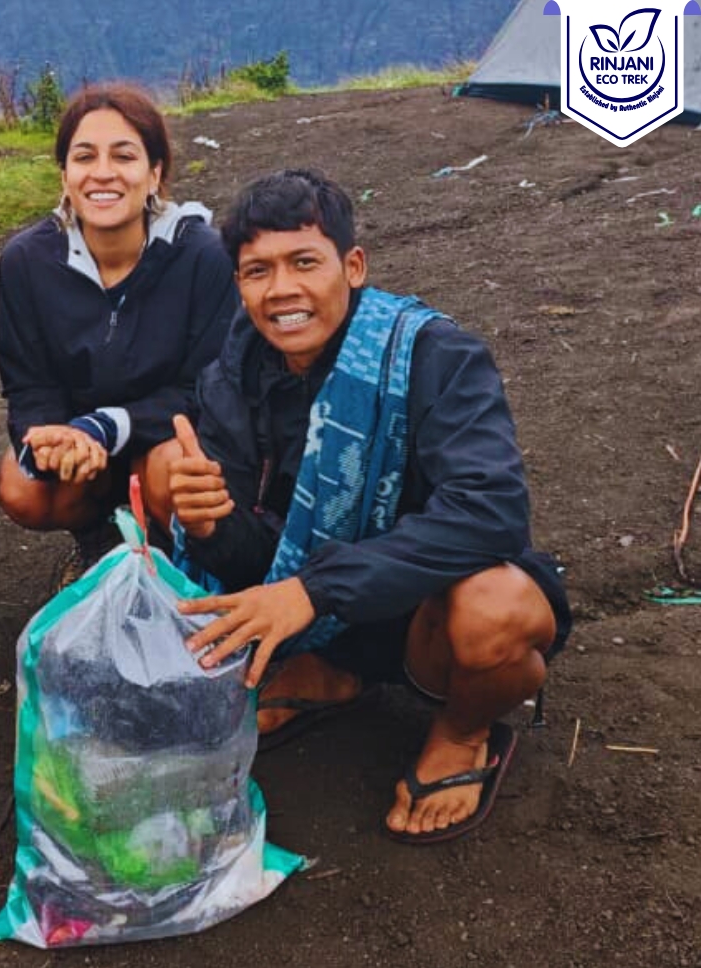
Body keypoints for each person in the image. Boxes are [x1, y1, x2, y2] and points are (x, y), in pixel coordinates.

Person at [150, 168, 572, 843]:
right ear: (239, 285)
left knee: (498, 609)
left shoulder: (433, 356)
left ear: (353, 267)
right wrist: (209, 525)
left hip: (425, 616)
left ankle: (462, 734)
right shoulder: (234, 374)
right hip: (325, 607)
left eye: (304, 262)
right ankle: (334, 670)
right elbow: (254, 556)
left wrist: (313, 591)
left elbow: (491, 512)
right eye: (258, 270)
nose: (282, 290)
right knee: (169, 474)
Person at [0, 82, 238, 587]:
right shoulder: (27, 261)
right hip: (86, 451)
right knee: (22, 485)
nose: (103, 172)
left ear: (155, 173)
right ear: (64, 175)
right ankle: (98, 538)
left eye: (124, 156)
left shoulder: (203, 256)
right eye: (85, 157)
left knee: (177, 471)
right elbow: (29, 383)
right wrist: (50, 438)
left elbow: (208, 387)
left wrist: (108, 426)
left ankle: (174, 555)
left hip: (165, 438)